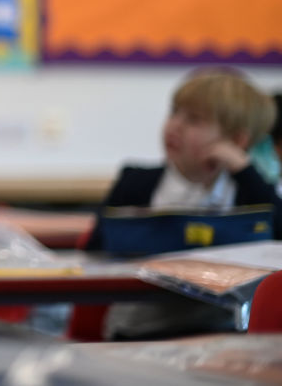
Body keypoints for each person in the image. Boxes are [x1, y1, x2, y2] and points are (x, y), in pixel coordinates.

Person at [85, 70, 281, 339]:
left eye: (194, 120)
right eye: (174, 113)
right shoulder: (136, 182)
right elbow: (94, 250)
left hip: (223, 333)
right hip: (137, 330)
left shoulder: (249, 192)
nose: (175, 126)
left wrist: (243, 169)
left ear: (236, 140)